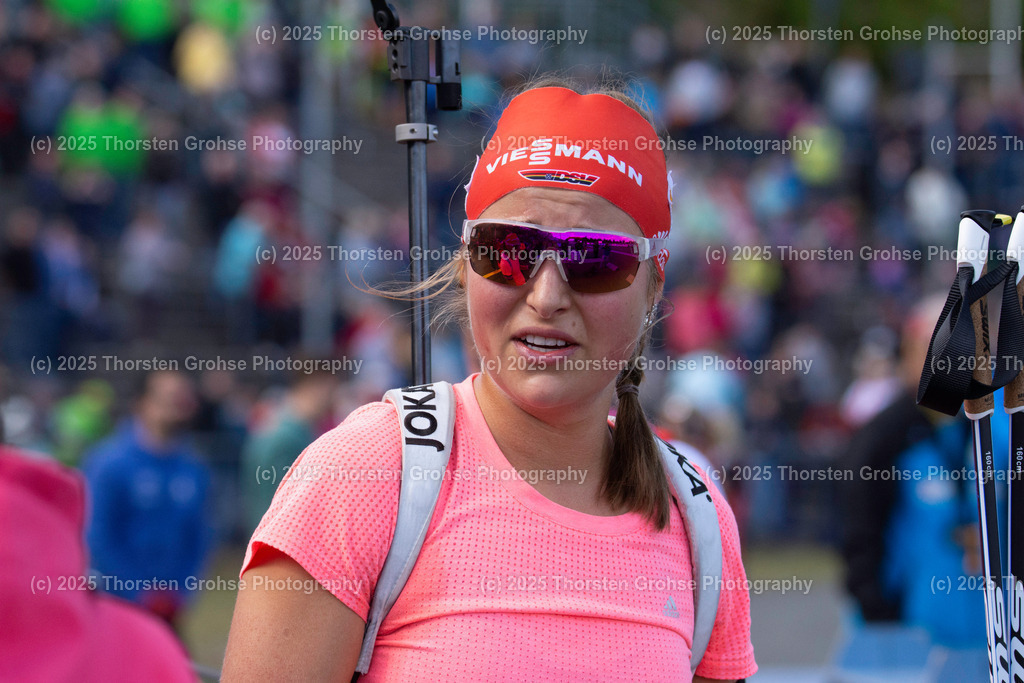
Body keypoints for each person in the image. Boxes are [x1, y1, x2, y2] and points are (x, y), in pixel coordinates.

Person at [223, 81, 757, 681]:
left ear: (653, 286)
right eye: (509, 250)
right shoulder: (363, 474)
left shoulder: (696, 516)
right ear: (465, 261)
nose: (547, 296)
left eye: (595, 259)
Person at [82, 369, 212, 629]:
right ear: (141, 402)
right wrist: (138, 592)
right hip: (116, 610)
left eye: (183, 395)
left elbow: (199, 536)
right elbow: (98, 536)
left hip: (170, 612)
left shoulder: (193, 467)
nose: (178, 403)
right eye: (169, 396)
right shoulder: (109, 464)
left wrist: (181, 592)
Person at [240, 367, 337, 533]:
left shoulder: (279, 426)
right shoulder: (287, 438)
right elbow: (280, 505)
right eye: (330, 391)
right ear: (316, 387)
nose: (332, 400)